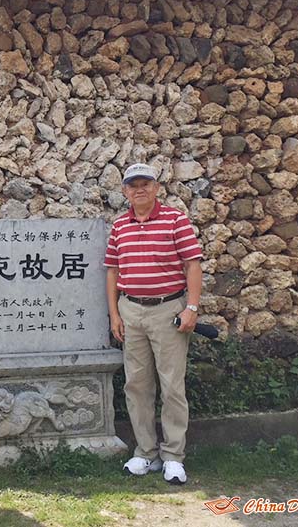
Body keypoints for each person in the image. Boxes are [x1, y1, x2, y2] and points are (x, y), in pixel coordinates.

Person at [104, 163, 203, 485]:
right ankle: (145, 452)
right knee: (137, 385)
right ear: (125, 191)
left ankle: (173, 456)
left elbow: (192, 264)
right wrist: (114, 315)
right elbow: (113, 272)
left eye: (145, 183)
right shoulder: (120, 226)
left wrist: (191, 307)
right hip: (131, 311)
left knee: (172, 385)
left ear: (156, 187)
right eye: (133, 185)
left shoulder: (176, 220)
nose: (139, 189)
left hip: (167, 310)